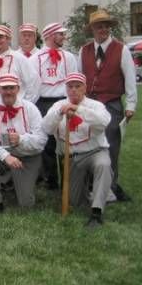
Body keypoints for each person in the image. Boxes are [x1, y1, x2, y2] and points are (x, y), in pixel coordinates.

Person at [78, 9, 137, 202]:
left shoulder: (122, 49)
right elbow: (79, 79)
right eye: (99, 26)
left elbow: (130, 79)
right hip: (89, 105)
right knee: (87, 144)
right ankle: (89, 185)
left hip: (111, 105)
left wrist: (130, 104)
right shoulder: (84, 50)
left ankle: (110, 189)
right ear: (92, 29)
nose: (103, 29)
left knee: (110, 146)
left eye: (106, 26)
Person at [42, 73, 113, 227]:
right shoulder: (58, 105)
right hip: (72, 157)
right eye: (70, 86)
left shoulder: (95, 105)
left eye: (78, 86)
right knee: (76, 201)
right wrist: (60, 112)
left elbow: (104, 122)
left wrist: (78, 109)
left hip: (95, 151)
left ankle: (96, 213)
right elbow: (46, 128)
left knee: (104, 165)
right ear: (66, 89)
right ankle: (99, 191)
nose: (73, 90)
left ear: (85, 88)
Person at [0, 74, 47, 215]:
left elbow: (42, 141)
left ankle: (14, 183)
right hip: (5, 157)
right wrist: (6, 156)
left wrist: (22, 139)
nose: (8, 91)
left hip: (28, 157)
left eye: (11, 88)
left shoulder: (31, 109)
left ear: (18, 89)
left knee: (26, 204)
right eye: (4, 88)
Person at [32, 22, 78, 190]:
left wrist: (72, 103)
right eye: (60, 34)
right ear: (50, 36)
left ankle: (68, 179)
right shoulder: (35, 59)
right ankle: (50, 180)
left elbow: (74, 81)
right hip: (43, 102)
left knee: (66, 140)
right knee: (47, 142)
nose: (63, 37)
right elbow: (32, 84)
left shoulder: (69, 57)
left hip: (64, 101)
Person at [0, 24, 40, 109]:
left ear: (8, 39)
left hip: (14, 108)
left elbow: (34, 83)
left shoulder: (19, 59)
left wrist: (25, 104)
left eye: (0, 37)